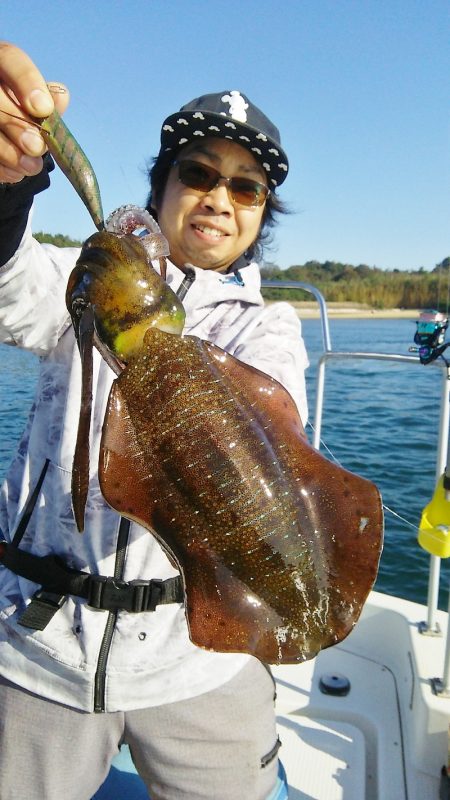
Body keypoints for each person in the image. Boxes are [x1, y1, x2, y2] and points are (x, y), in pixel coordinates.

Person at [0, 43, 309, 800]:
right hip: (40, 647)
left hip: (197, 652)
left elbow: (263, 444)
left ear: (261, 216)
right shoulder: (88, 276)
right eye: (197, 173)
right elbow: (9, 281)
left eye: (246, 189)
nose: (218, 198)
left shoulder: (269, 325)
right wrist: (11, 185)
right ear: (163, 186)